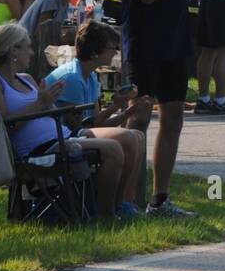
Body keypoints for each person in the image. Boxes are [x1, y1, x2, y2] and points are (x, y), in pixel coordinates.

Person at [0, 22, 144, 219]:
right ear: (13, 50)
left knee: (128, 139)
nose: (32, 53)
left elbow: (50, 111)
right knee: (113, 149)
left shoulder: (25, 79)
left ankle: (118, 208)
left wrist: (51, 104)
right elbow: (5, 125)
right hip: (36, 150)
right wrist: (41, 102)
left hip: (61, 136)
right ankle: (106, 215)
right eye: (28, 47)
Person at [122, 0, 213, 216]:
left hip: (176, 41)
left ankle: (160, 199)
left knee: (173, 116)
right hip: (145, 42)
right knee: (139, 117)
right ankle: (126, 199)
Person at [45, 21, 152, 217]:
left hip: (78, 131)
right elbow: (80, 126)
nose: (115, 52)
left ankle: (126, 203)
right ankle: (112, 209)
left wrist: (127, 111)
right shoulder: (72, 79)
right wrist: (116, 106)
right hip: (63, 135)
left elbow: (95, 122)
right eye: (112, 48)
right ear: (95, 52)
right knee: (129, 138)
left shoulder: (90, 76)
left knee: (136, 135)